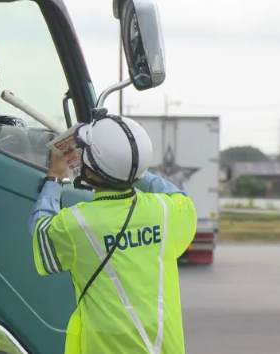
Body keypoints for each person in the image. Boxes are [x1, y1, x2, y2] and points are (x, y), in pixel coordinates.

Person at [27, 109, 197, 354]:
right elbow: (179, 196)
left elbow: (41, 231)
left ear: (92, 171)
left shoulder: (78, 223)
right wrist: (132, 168)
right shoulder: (165, 211)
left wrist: (53, 178)